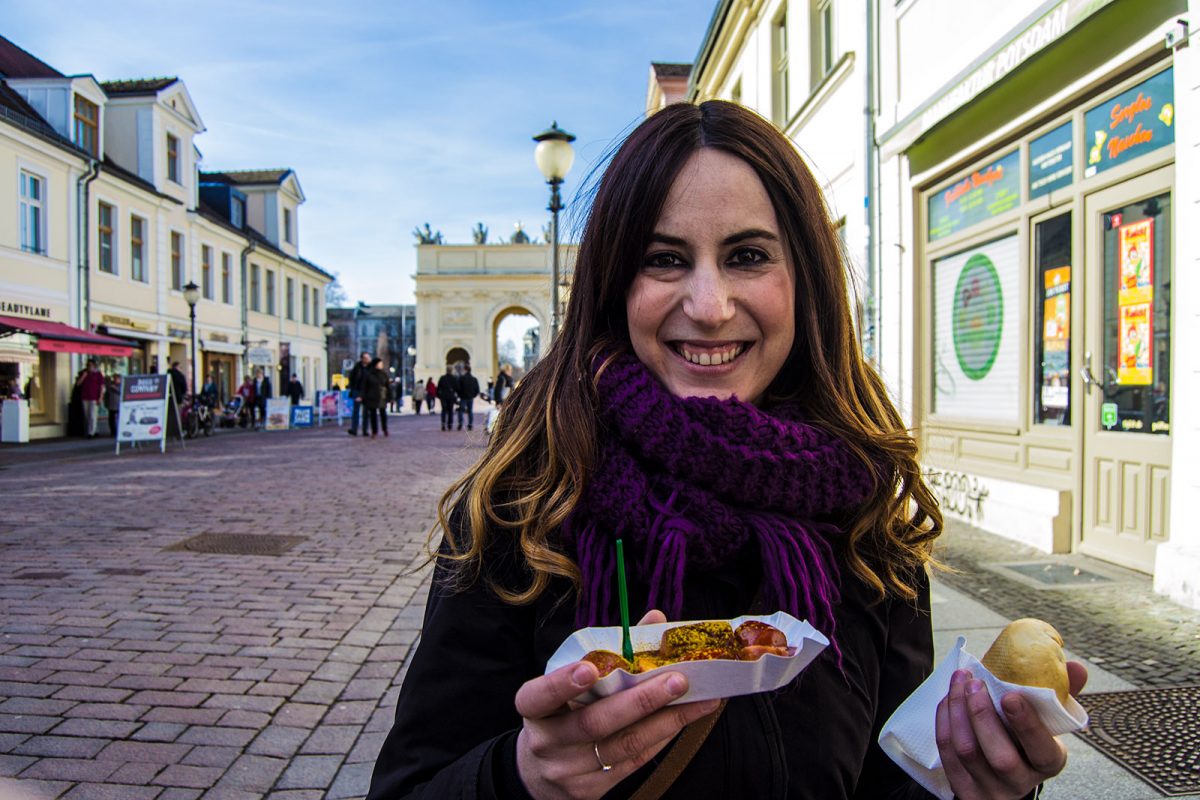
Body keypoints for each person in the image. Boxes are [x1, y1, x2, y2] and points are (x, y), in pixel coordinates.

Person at [367, 101, 1086, 800]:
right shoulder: (525, 507)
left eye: (746, 256)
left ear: (803, 278)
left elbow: (885, 779)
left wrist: (971, 782)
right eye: (664, 259)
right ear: (614, 285)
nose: (709, 306)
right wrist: (522, 777)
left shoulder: (866, 517)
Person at [76, 360, 105, 438]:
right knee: (87, 415)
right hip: (85, 397)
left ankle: (90, 433)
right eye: (88, 365)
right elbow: (78, 384)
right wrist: (83, 376)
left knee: (92, 415)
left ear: (94, 366)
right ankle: (95, 430)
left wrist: (100, 397)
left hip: (94, 397)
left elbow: (102, 387)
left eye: (91, 365)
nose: (89, 367)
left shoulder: (98, 374)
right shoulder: (84, 374)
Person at [362, 357, 390, 438]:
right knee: (373, 415)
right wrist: (364, 396)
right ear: (376, 365)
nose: (381, 365)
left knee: (383, 414)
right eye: (380, 363)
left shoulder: (384, 374)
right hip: (372, 396)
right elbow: (364, 386)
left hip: (382, 396)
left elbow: (387, 386)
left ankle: (385, 429)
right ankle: (374, 431)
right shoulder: (369, 374)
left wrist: (389, 397)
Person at [348, 352, 371, 436]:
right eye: (366, 358)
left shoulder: (370, 368)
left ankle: (365, 430)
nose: (368, 359)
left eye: (368, 357)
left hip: (366, 392)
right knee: (356, 411)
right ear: (362, 359)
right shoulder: (357, 368)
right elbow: (352, 379)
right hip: (357, 391)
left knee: (366, 412)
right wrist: (354, 390)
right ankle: (354, 429)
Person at [456, 364, 480, 431]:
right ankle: (470, 425)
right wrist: (473, 395)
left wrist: (459, 395)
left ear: (465, 370)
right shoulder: (474, 379)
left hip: (463, 397)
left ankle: (460, 423)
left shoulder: (461, 378)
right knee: (470, 411)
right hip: (470, 397)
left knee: (461, 411)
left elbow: (458, 388)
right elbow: (477, 390)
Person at [436, 365, 458, 432]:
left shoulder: (442, 378)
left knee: (444, 411)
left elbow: (438, 388)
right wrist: (456, 396)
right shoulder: (454, 378)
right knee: (450, 411)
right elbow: (457, 388)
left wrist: (439, 396)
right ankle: (450, 425)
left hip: (443, 397)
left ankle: (443, 424)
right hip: (451, 397)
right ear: (451, 370)